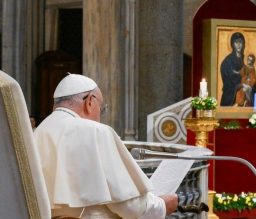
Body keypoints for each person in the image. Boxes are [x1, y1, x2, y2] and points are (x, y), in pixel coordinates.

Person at [34, 73, 178, 219]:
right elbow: (130, 206)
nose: (100, 115)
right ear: (90, 102)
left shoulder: (37, 132)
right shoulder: (97, 132)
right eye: (101, 108)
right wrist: (162, 206)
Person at [220, 32, 245, 106]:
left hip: (241, 95)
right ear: (232, 44)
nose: (239, 45)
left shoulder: (242, 58)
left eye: (240, 42)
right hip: (230, 98)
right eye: (236, 42)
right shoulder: (228, 61)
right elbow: (232, 80)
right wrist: (243, 84)